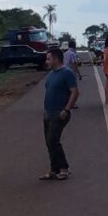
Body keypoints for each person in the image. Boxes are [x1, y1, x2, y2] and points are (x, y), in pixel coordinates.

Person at [41, 46, 79, 180]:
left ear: (56, 59)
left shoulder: (67, 73)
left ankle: (64, 168)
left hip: (60, 112)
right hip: (48, 113)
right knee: (49, 141)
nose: (47, 61)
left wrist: (67, 109)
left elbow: (75, 92)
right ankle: (54, 169)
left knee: (53, 140)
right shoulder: (51, 74)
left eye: (49, 59)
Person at [63, 37, 81, 107]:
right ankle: (72, 104)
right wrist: (79, 74)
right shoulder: (72, 54)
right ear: (74, 46)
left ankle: (67, 103)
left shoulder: (65, 53)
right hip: (71, 73)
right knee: (74, 90)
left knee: (67, 89)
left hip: (64, 72)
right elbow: (74, 64)